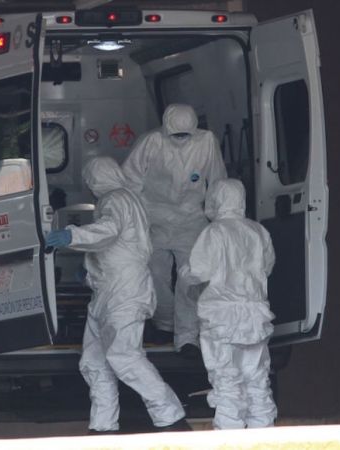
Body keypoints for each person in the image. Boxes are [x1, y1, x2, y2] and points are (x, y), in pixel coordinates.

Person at [45, 157, 188, 433]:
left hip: (124, 292)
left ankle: (171, 418)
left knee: (125, 356)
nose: (89, 187)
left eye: (89, 181)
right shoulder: (122, 200)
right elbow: (117, 248)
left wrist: (72, 236)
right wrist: (90, 273)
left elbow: (108, 232)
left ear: (96, 179)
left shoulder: (116, 198)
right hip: (108, 293)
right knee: (94, 362)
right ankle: (103, 426)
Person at [122, 103, 227, 354]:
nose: (180, 139)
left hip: (191, 219)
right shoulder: (151, 142)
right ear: (166, 128)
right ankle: (165, 323)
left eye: (185, 135)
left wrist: (219, 218)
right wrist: (132, 218)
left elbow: (217, 180)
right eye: (176, 135)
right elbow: (130, 179)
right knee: (155, 274)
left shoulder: (207, 142)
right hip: (154, 219)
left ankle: (187, 336)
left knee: (190, 278)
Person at [178, 179, 278, 430]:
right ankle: (263, 435)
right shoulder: (258, 231)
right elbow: (267, 267)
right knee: (257, 379)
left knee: (226, 379)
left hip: (221, 316)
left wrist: (183, 273)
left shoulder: (214, 232)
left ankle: (229, 436)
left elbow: (198, 271)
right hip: (255, 314)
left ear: (215, 199)